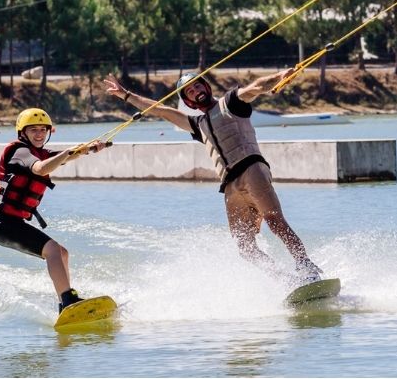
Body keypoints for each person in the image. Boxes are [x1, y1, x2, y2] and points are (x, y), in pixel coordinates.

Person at [103, 71, 324, 284]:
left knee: (275, 222)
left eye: (198, 85)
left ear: (206, 87)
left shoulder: (231, 103)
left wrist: (279, 78)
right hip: (230, 187)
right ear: (188, 101)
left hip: (252, 170)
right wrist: (126, 95)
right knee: (245, 247)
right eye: (189, 91)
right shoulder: (196, 125)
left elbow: (255, 87)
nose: (195, 90)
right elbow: (159, 110)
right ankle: (285, 280)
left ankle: (306, 265)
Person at [0, 108, 107, 313]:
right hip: (3, 223)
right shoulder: (19, 152)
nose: (39, 134)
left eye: (43, 129)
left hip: (13, 223)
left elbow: (64, 157)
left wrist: (90, 149)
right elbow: (41, 168)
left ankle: (66, 300)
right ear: (22, 133)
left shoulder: (39, 153)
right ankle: (67, 301)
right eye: (33, 130)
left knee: (61, 253)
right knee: (51, 250)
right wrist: (68, 152)